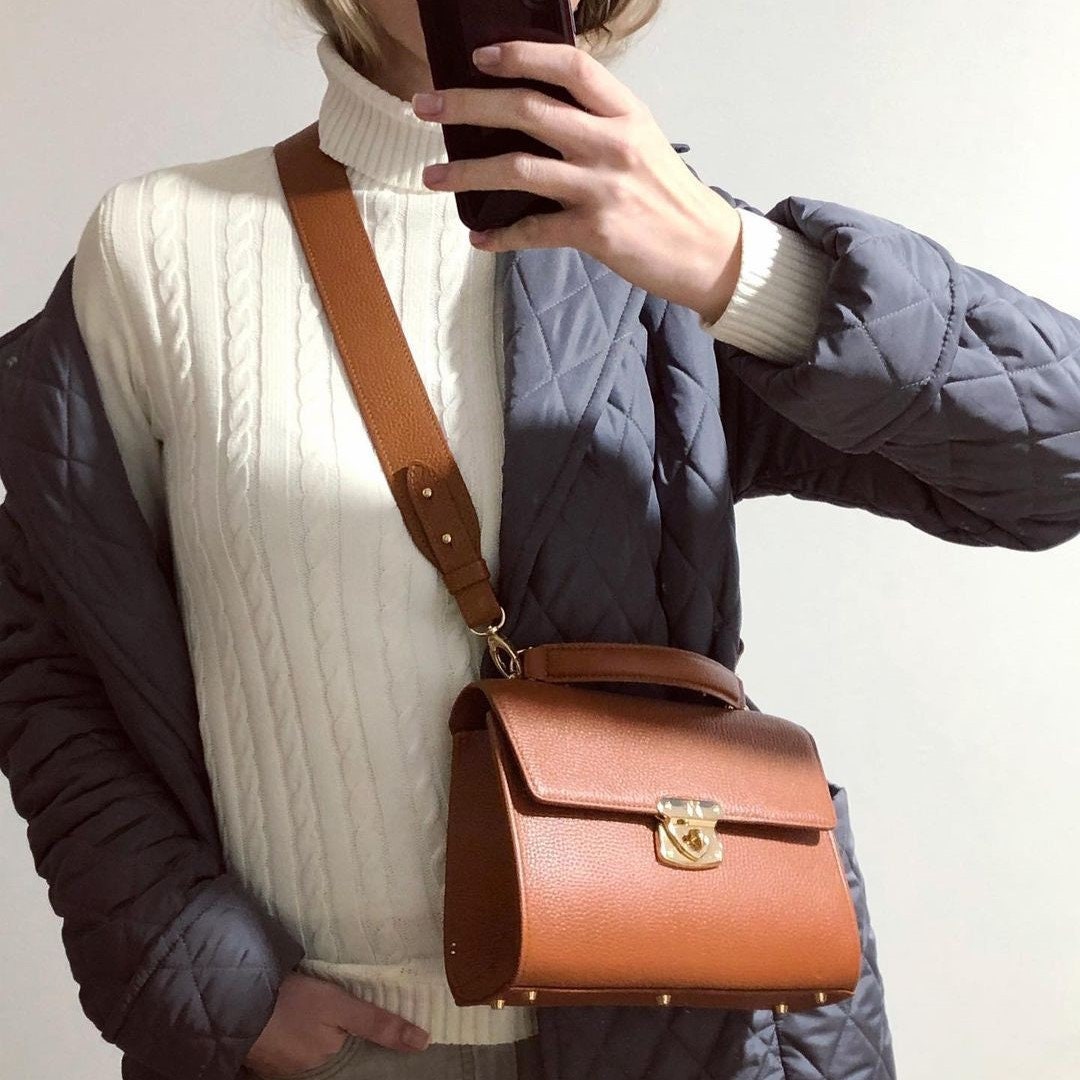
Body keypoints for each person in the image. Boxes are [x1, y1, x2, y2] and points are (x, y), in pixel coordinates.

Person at [2, 2, 1079, 1079]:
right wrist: (200, 971)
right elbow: (46, 642)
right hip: (329, 1048)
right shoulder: (161, 241)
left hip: (664, 1013)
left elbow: (1055, 465)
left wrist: (737, 265)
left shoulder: (659, 250)